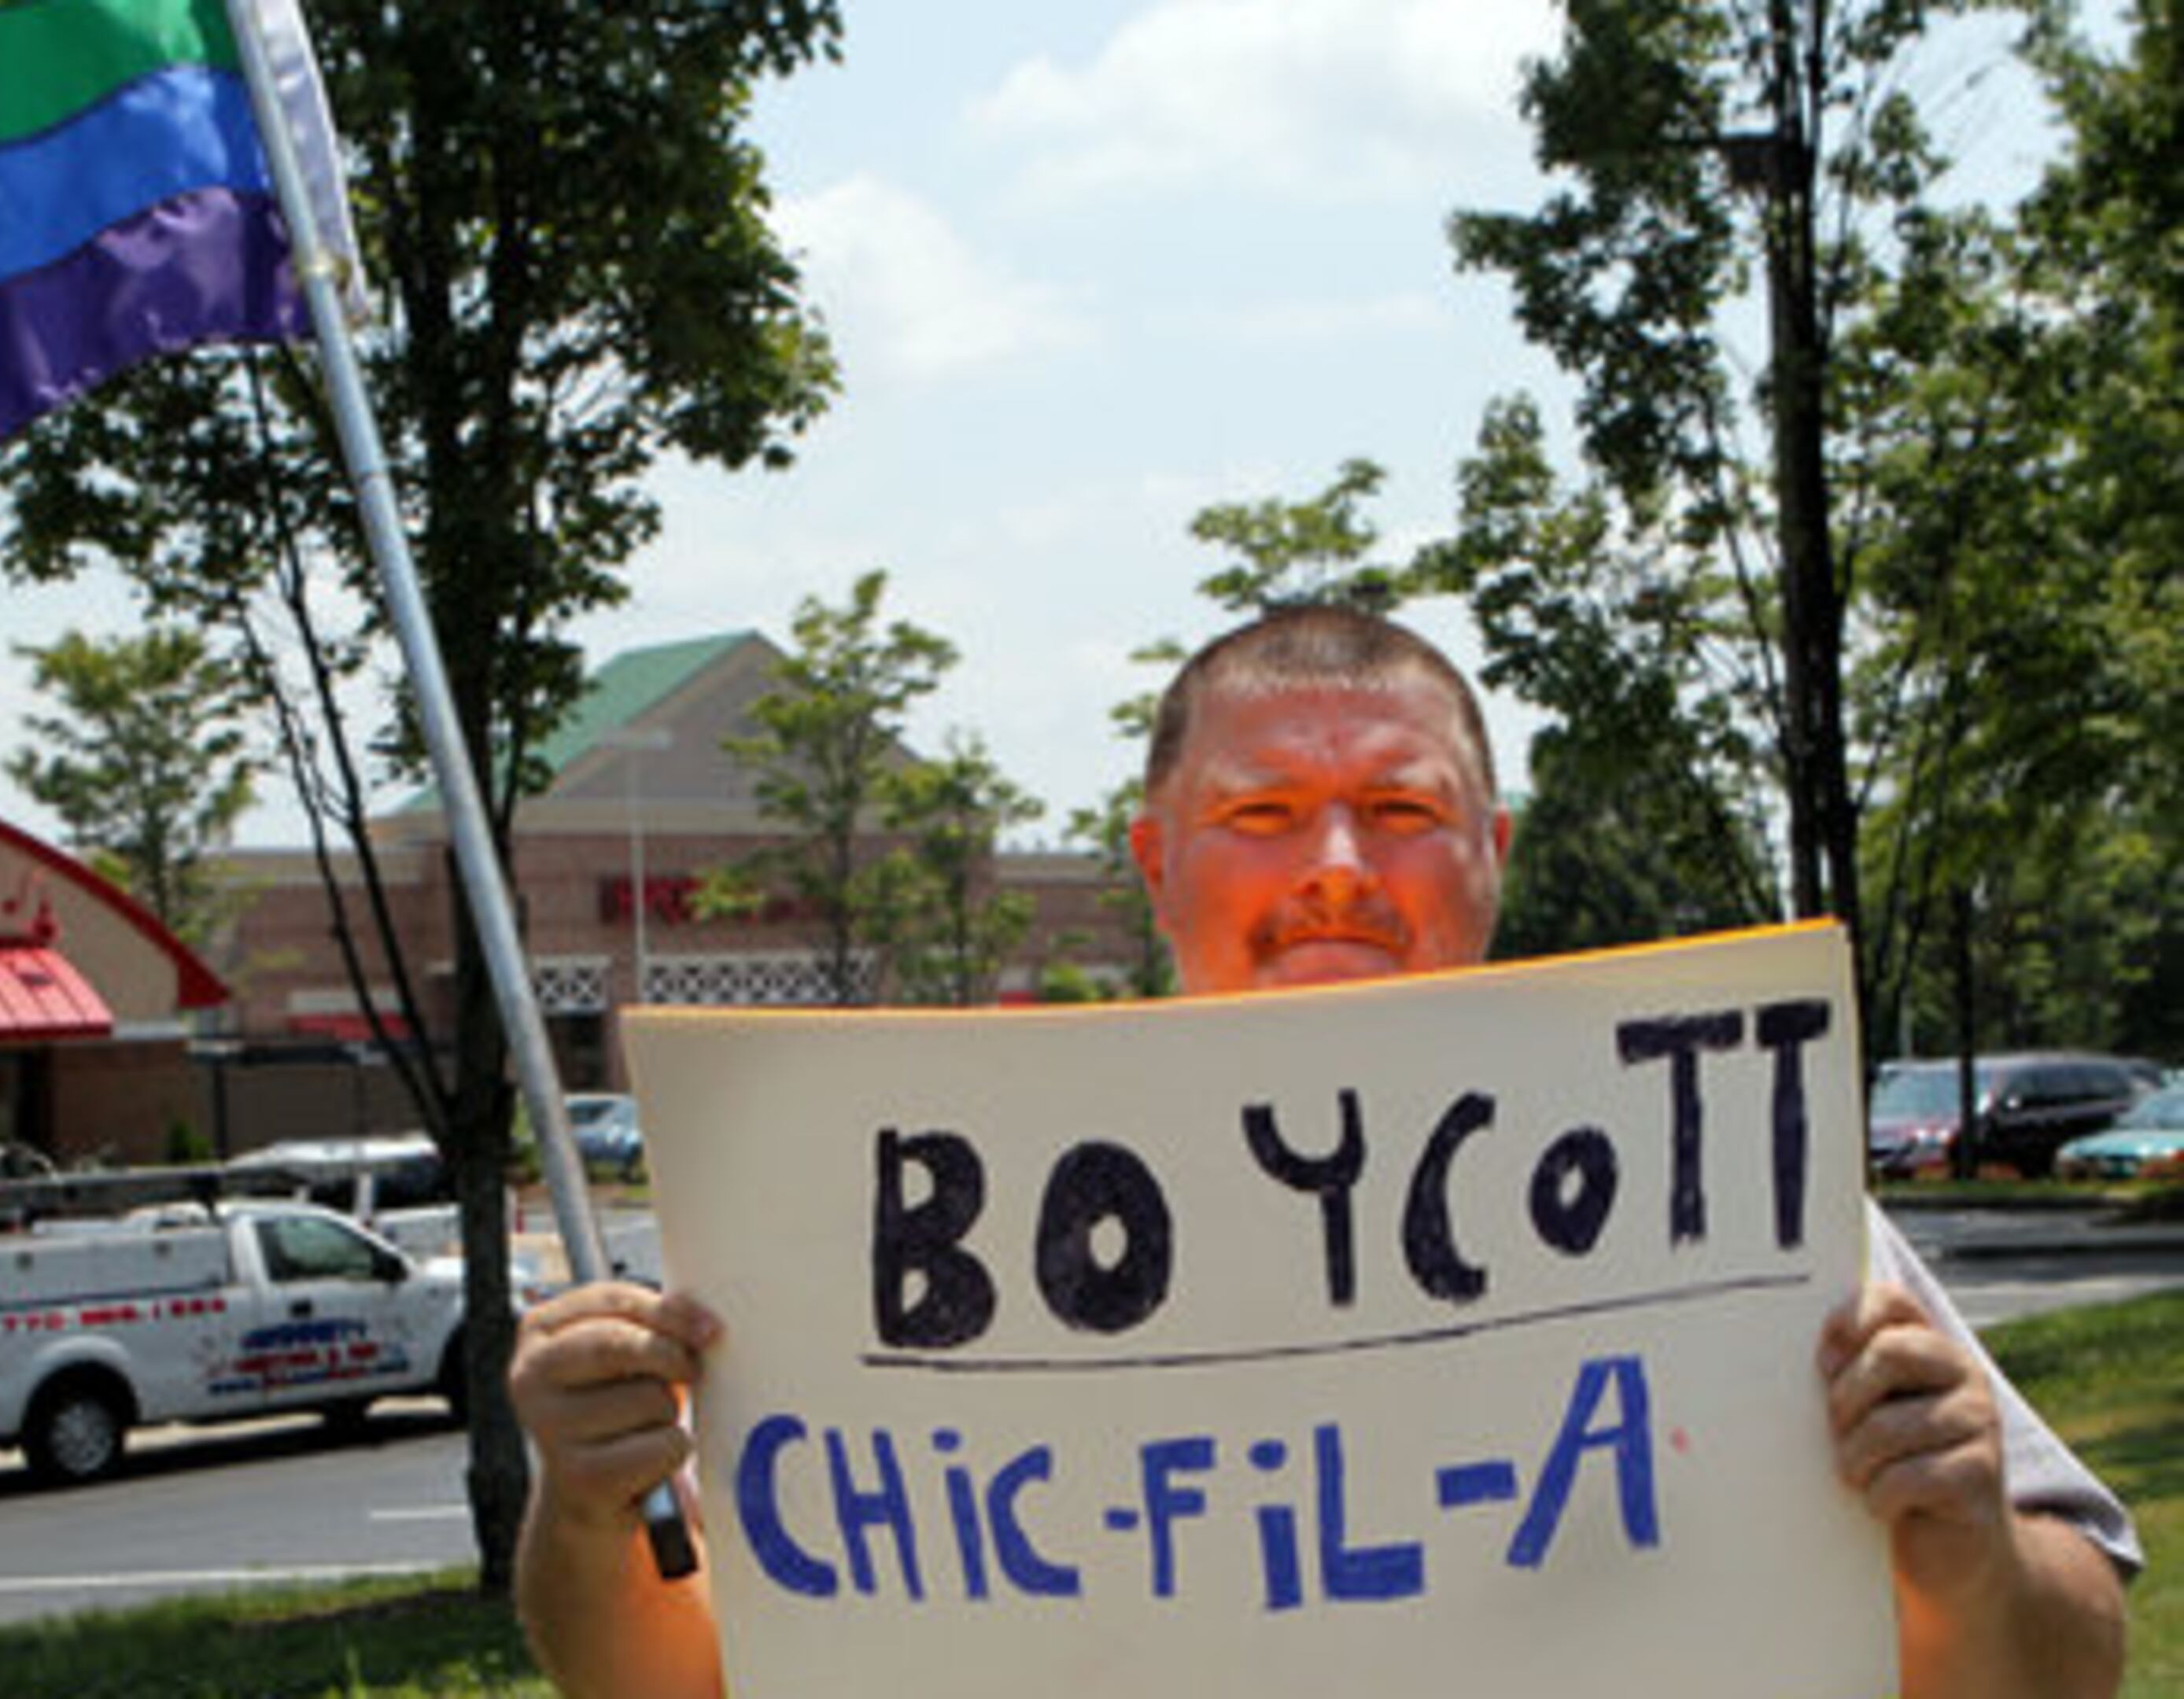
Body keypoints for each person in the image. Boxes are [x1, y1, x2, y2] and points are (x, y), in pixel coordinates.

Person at [508, 606, 2138, 1699]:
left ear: (1493, 855)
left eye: (1405, 812)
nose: (1342, 868)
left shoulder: (1715, 1182)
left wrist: (1968, 1544)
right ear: (1155, 860)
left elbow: (2068, 1659)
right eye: (1267, 814)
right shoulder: (928, 1216)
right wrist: (589, 1510)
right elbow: (672, 1675)